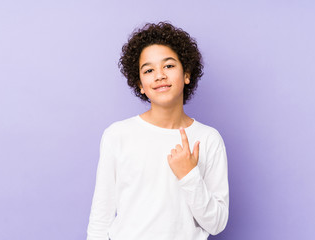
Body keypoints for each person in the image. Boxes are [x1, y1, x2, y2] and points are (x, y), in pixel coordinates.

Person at [87, 22, 229, 240]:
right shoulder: (117, 135)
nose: (160, 75)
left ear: (187, 74)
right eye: (149, 70)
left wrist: (189, 175)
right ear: (141, 85)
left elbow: (217, 223)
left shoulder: (208, 139)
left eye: (169, 66)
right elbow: (101, 217)